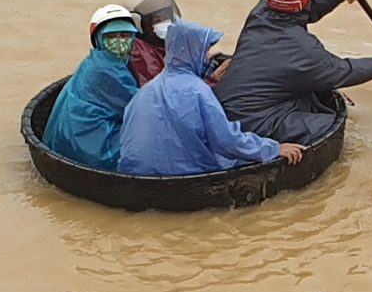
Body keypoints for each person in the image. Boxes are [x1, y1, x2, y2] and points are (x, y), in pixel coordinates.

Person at [214, 0, 372, 145]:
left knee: (308, 97)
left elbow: (305, 6)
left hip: (222, 108)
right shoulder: (304, 50)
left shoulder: (260, 12)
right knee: (326, 123)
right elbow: (341, 71)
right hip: (250, 122)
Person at [118, 19, 307, 176]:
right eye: (203, 49)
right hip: (177, 174)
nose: (206, 55)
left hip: (134, 172)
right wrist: (274, 149)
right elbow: (227, 142)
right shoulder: (199, 91)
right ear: (191, 51)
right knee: (236, 158)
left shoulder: (146, 90)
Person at [41, 5, 143, 171]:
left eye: (125, 35)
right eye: (111, 37)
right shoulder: (109, 71)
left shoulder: (95, 62)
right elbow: (142, 109)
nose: (119, 42)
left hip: (68, 141)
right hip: (91, 152)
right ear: (99, 40)